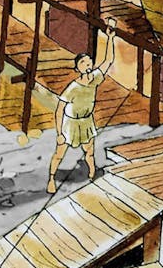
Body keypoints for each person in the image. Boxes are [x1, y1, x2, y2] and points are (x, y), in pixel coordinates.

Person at [47, 20, 117, 193]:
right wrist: (59, 133)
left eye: (88, 62)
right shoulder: (73, 87)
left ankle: (92, 173)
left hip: (86, 122)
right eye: (83, 63)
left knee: (89, 151)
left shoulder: (95, 78)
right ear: (77, 69)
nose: (87, 65)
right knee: (59, 153)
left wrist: (110, 38)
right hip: (71, 123)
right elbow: (59, 110)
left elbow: (108, 60)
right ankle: (51, 179)